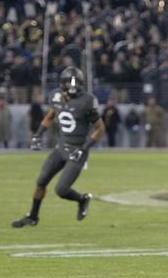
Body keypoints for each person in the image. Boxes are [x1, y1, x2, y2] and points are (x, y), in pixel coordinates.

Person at [11, 66, 105, 228]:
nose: (73, 86)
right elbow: (50, 116)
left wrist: (83, 148)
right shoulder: (56, 97)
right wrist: (38, 135)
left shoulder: (87, 100)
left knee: (61, 190)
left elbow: (100, 128)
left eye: (76, 82)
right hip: (60, 148)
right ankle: (33, 216)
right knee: (41, 181)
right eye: (70, 82)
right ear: (62, 83)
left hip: (77, 150)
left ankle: (82, 199)